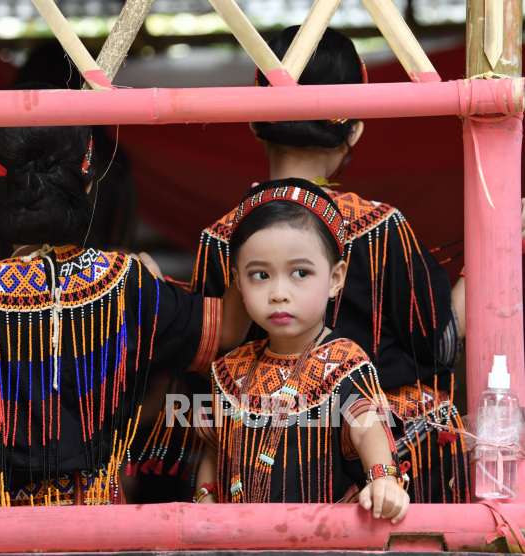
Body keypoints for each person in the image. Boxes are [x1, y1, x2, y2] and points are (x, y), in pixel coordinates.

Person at [0, 124, 250, 544]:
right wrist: (256, 230)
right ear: (85, 189)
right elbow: (226, 328)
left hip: (10, 531)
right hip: (103, 527)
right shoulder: (128, 282)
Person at [191, 27, 467, 504]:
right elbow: (439, 341)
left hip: (255, 454)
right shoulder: (380, 226)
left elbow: (200, 366)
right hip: (384, 469)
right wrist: (496, 250)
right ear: (354, 128)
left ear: (256, 122)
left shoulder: (220, 237)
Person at [193, 179, 410, 522]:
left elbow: (367, 425)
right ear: (237, 280)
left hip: (324, 539)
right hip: (238, 540)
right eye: (260, 275)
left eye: (300, 273)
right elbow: (213, 447)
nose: (279, 292)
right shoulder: (229, 370)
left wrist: (383, 478)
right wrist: (205, 497)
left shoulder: (345, 362)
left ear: (336, 279)